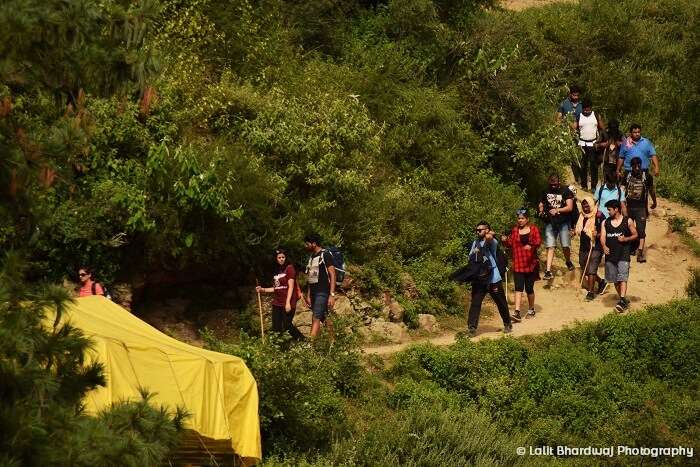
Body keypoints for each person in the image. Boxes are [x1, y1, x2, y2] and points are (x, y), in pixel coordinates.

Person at [467, 221, 512, 336]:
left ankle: (507, 323)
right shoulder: (475, 242)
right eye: (476, 230)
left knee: (501, 302)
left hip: (493, 278)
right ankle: (472, 327)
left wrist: (489, 234)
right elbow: (471, 257)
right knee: (475, 303)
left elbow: (489, 239)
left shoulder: (493, 241)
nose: (477, 232)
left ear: (487, 230)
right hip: (479, 279)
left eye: (480, 230)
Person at [256, 249, 305, 341]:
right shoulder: (277, 271)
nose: (281, 259)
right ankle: (280, 347)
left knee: (287, 325)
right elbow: (276, 288)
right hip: (277, 302)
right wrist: (263, 289)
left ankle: (303, 340)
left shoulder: (290, 268)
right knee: (276, 327)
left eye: (283, 257)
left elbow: (291, 287)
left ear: (286, 258)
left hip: (288, 302)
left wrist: (288, 303)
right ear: (276, 259)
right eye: (279, 258)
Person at [501, 209, 541, 321]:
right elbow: (510, 243)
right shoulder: (514, 231)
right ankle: (517, 312)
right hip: (518, 263)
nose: (520, 220)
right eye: (519, 218)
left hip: (531, 264)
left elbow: (538, 241)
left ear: (527, 219)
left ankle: (531, 309)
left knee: (529, 289)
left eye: (522, 218)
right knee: (518, 288)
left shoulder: (533, 229)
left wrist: (530, 245)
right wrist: (504, 240)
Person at [600, 199, 638, 312]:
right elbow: (602, 236)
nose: (608, 212)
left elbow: (635, 234)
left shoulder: (628, 221)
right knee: (614, 280)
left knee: (622, 278)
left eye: (609, 209)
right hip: (610, 255)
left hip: (623, 254)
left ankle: (621, 300)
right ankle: (624, 300)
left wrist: (625, 238)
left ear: (616, 209)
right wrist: (604, 246)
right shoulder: (605, 222)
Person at [538, 174, 575, 279]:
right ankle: (548, 271)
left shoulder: (566, 191)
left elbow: (570, 207)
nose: (553, 186)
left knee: (565, 245)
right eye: (551, 184)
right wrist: (541, 210)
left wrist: (557, 210)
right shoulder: (545, 190)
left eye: (555, 184)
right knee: (550, 245)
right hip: (550, 222)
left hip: (563, 221)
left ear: (558, 182)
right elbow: (541, 202)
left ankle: (568, 261)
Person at [617, 123, 660, 209]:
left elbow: (653, 155)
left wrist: (656, 167)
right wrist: (618, 169)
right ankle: (623, 209)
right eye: (634, 132)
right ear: (630, 133)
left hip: (643, 171)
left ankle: (648, 207)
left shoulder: (646, 142)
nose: (637, 134)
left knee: (646, 190)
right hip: (629, 171)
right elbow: (621, 157)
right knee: (625, 190)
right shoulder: (625, 143)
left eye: (638, 132)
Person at [303, 233, 335, 338]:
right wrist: (308, 295)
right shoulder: (312, 257)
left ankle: (310, 347)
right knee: (324, 318)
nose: (305, 246)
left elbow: (332, 274)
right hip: (313, 293)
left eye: (307, 244)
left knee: (315, 317)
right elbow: (310, 278)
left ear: (314, 243)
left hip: (323, 292)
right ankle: (334, 343)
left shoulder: (325, 254)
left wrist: (332, 295)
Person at [574, 197, 606, 301]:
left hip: (595, 246)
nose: (585, 207)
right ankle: (601, 282)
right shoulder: (581, 215)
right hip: (584, 246)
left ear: (592, 204)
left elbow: (606, 230)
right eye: (583, 205)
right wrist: (573, 232)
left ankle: (590, 292)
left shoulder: (599, 215)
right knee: (585, 267)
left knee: (592, 269)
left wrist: (598, 234)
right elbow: (579, 229)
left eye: (587, 205)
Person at [575, 98, 605, 190]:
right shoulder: (579, 116)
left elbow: (602, 129)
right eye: (585, 109)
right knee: (583, 166)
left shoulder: (596, 115)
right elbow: (574, 128)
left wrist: (600, 141)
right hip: (582, 144)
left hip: (593, 144)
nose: (586, 110)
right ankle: (584, 185)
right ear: (582, 108)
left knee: (593, 166)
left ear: (591, 108)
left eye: (588, 109)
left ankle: (593, 186)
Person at [622, 157, 649, 262]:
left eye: (638, 165)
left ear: (641, 165)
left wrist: (654, 202)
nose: (637, 168)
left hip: (641, 207)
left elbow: (651, 190)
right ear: (631, 166)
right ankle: (631, 248)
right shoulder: (627, 175)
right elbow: (622, 189)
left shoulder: (646, 176)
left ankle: (640, 252)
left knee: (641, 230)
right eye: (634, 166)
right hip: (628, 207)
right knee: (628, 228)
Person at [556, 85, 583, 183]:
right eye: (574, 95)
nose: (575, 97)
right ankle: (568, 180)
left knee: (579, 157)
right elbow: (558, 119)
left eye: (577, 95)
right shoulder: (563, 104)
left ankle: (579, 178)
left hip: (581, 136)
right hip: (566, 136)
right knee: (568, 157)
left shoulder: (582, 104)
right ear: (570, 94)